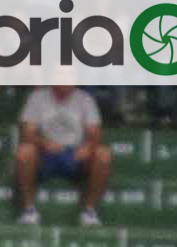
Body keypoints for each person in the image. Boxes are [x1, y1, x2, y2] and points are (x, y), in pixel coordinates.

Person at [12, 83, 110, 227]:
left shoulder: (85, 99)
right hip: (45, 153)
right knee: (24, 152)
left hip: (75, 153)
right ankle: (29, 210)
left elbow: (95, 132)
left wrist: (87, 148)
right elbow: (27, 132)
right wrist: (44, 144)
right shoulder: (37, 97)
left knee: (103, 155)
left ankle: (89, 211)